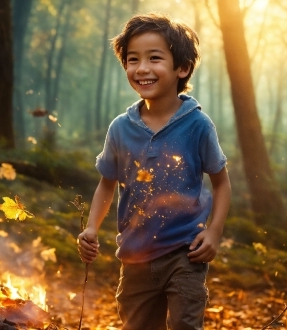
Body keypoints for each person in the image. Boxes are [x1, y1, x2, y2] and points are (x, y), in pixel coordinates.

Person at [77, 12, 231, 330]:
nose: (142, 68)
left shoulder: (198, 125)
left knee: (186, 325)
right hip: (134, 257)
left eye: (154, 58)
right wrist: (92, 228)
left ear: (182, 68)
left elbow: (221, 183)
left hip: (185, 254)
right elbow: (107, 184)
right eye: (133, 59)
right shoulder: (121, 128)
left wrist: (213, 232)